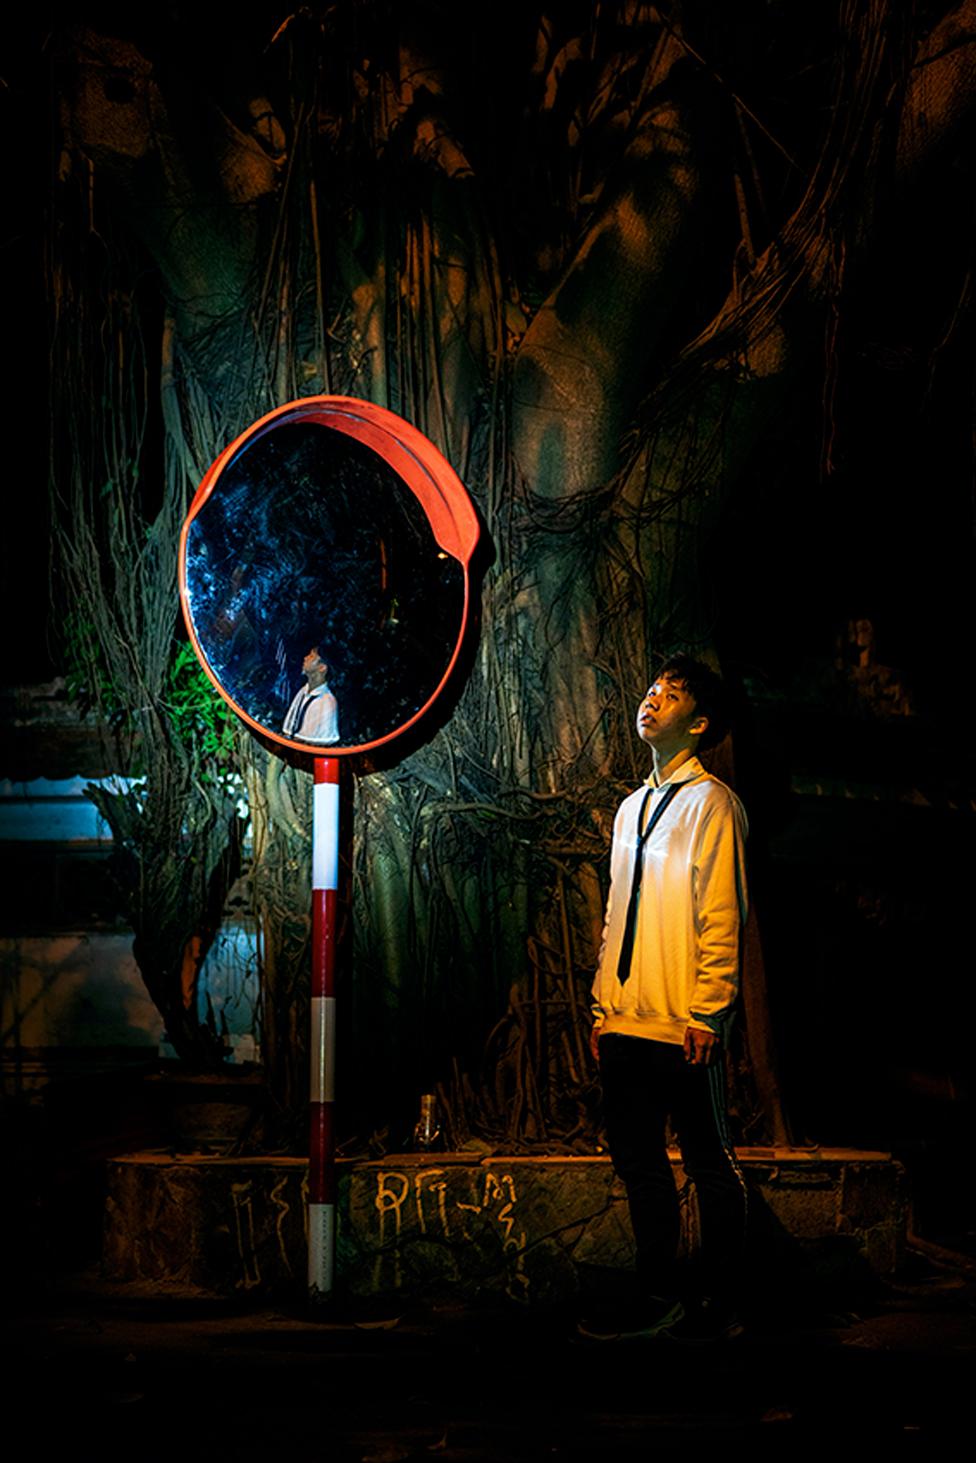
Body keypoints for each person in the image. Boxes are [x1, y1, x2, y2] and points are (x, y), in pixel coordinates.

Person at [581, 653, 748, 1343]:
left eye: (671, 695)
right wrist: (601, 1004)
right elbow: (618, 911)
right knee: (642, 1165)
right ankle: (661, 1294)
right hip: (627, 1020)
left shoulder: (713, 803)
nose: (651, 700)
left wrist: (711, 1007)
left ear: (699, 723)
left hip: (685, 1024)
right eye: (651, 690)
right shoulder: (629, 808)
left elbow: (720, 911)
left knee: (709, 1161)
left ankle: (726, 1300)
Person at [282, 647, 340, 744]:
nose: (305, 658)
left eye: (312, 656)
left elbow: (320, 744)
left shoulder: (327, 702)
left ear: (322, 667)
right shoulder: (303, 691)